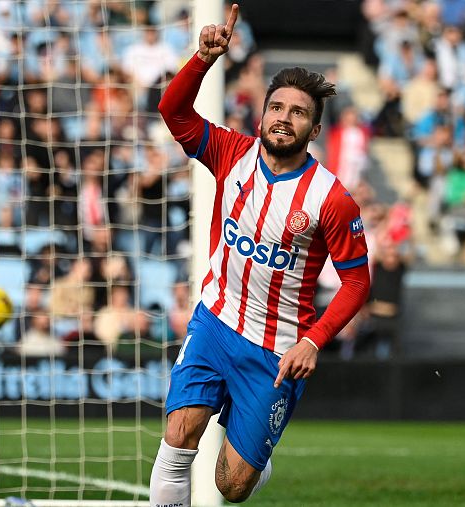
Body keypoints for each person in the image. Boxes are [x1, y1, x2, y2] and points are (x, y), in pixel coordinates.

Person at [149, 6, 371, 505]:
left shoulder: (331, 199)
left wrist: (313, 341)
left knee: (232, 486)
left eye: (298, 113)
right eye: (277, 108)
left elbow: (357, 283)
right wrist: (203, 59)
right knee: (178, 436)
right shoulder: (231, 152)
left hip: (277, 351)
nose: (283, 119)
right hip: (215, 320)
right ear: (262, 112)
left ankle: (254, 452)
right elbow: (174, 112)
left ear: (314, 130)